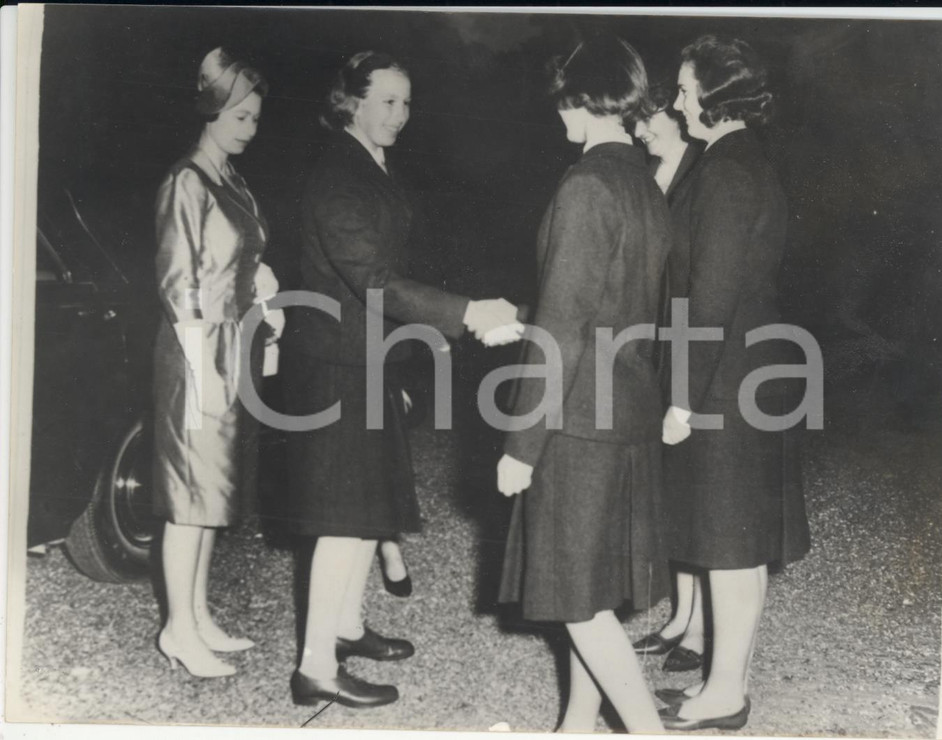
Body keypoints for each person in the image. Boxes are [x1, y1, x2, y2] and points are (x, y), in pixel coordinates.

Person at [281, 51, 520, 708]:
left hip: (367, 359)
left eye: (406, 102)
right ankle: (314, 668)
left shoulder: (372, 166)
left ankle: (346, 626)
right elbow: (375, 281)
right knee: (342, 517)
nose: (400, 114)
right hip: (334, 368)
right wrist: (467, 313)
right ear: (351, 102)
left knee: (368, 509)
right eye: (387, 101)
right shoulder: (339, 175)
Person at [496, 37, 673, 734]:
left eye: (563, 99)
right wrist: (529, 317)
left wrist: (522, 444)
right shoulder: (645, 185)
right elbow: (606, 306)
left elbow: (567, 327)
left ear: (579, 99)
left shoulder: (585, 185)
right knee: (588, 588)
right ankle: (576, 725)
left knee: (576, 600)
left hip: (575, 422)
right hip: (625, 409)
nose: (558, 111)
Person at [656, 35, 811, 730]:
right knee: (739, 545)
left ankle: (724, 694)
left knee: (726, 545)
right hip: (750, 372)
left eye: (685, 89)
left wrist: (681, 400)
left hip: (723, 382)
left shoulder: (723, 171)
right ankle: (728, 684)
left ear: (715, 96)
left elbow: (710, 297)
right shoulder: (745, 160)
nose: (676, 101)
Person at [152, 47, 282, 678]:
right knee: (189, 496)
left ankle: (198, 616)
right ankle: (177, 630)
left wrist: (264, 288)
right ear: (210, 111)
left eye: (255, 118)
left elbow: (241, 257)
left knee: (213, 492)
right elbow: (178, 284)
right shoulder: (186, 181)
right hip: (195, 352)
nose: (249, 129)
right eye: (239, 116)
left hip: (232, 346)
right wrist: (203, 369)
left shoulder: (230, 179)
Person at [631, 79, 707, 676]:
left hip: (690, 343)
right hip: (657, 341)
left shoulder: (702, 174)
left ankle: (701, 628)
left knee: (697, 487)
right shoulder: (654, 174)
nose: (639, 131)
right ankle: (682, 616)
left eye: (647, 118)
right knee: (674, 485)